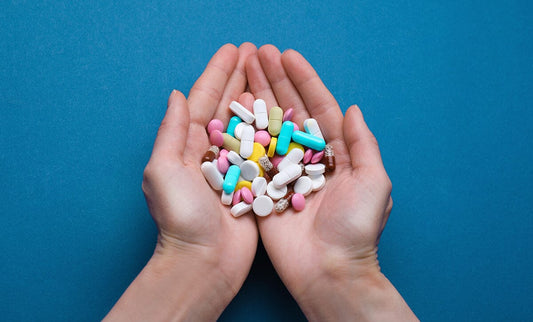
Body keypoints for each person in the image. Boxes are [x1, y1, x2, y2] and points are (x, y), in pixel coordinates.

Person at [104, 43, 418, 321]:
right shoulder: (246, 162)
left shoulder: (287, 158)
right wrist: (344, 272)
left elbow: (281, 166)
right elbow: (245, 175)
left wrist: (193, 259)